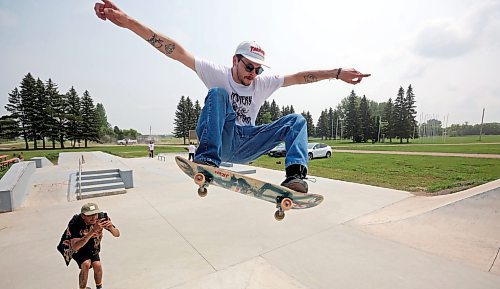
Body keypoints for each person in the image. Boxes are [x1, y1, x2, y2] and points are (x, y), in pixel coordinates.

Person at [94, 0, 370, 193]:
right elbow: (174, 50)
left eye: (257, 69)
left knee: (296, 120)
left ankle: (296, 176)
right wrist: (130, 23)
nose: (252, 74)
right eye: (248, 67)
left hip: (247, 143)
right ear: (235, 60)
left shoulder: (263, 82)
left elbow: (300, 77)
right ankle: (207, 160)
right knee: (216, 94)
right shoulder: (215, 72)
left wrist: (336, 72)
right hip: (220, 137)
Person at [62, 203, 120, 289]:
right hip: (79, 248)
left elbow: (117, 234)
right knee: (86, 264)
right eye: (90, 215)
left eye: (95, 214)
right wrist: (92, 231)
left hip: (93, 246)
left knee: (97, 265)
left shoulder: (102, 218)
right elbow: (75, 246)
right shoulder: (75, 223)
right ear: (83, 215)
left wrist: (111, 227)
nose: (94, 218)